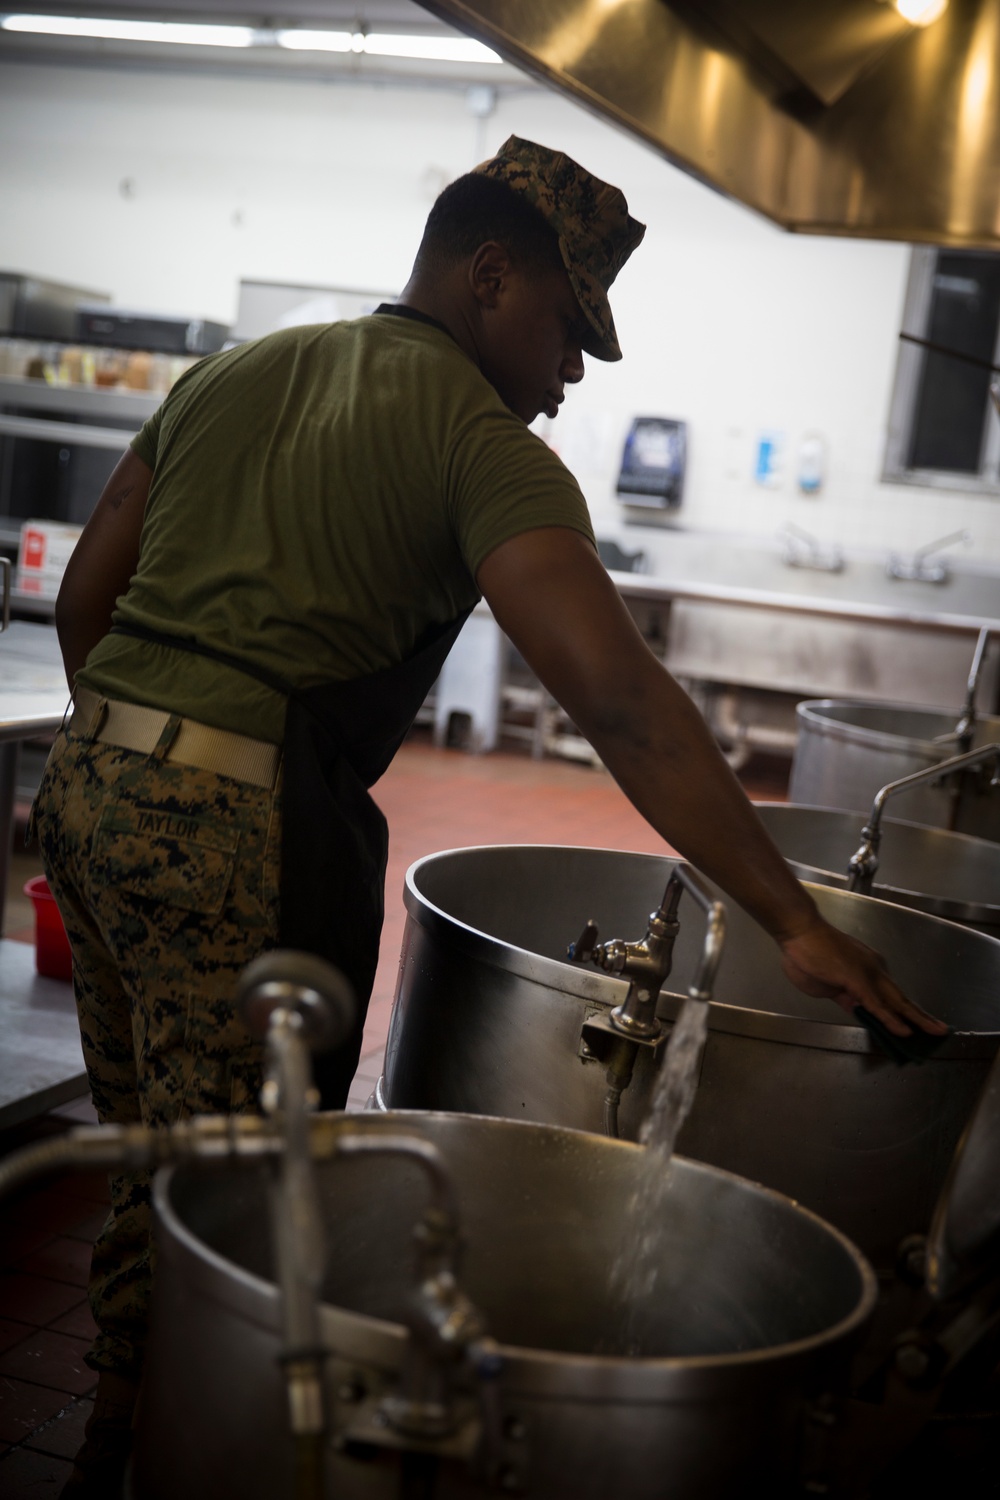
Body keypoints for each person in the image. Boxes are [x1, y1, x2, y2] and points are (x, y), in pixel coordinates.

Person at [33, 135, 945, 1496]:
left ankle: (110, 1437)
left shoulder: (239, 371)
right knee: (240, 1207)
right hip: (226, 832)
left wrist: (137, 758)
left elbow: (84, 595)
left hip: (88, 798)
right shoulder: (479, 444)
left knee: (156, 1159)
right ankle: (193, 1456)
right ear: (489, 274)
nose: (570, 380)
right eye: (570, 335)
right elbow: (622, 705)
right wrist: (790, 920)